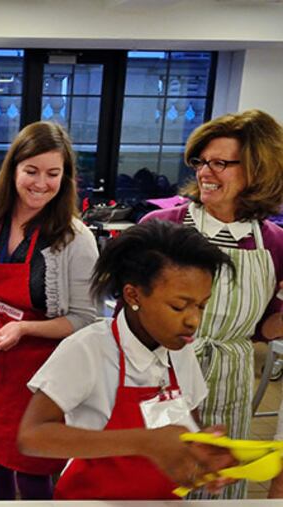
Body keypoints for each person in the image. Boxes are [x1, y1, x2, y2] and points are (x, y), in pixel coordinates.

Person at [18, 220, 238, 500]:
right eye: (178, 306)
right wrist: (145, 442)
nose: (194, 320)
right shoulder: (88, 349)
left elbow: (188, 426)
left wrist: (205, 452)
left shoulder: (180, 351)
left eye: (201, 305)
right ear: (133, 295)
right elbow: (32, 437)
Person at [0, 121, 99, 500]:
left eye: (52, 173)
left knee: (32, 464)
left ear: (66, 177)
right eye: (31, 171)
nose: (40, 183)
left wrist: (24, 330)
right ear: (13, 170)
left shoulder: (75, 239)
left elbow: (84, 319)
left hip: (38, 370)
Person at [141, 109, 283, 499]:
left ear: (257, 170)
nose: (205, 172)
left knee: (216, 487)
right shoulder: (160, 226)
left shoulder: (272, 242)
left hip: (230, 382)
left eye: (220, 163)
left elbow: (264, 327)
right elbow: (127, 314)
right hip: (161, 379)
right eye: (201, 162)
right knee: (158, 484)